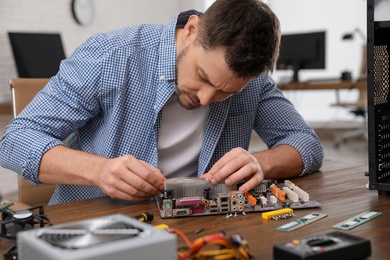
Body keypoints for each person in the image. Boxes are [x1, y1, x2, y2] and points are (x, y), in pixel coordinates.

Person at [0, 0, 323, 205]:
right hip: (93, 227)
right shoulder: (111, 55)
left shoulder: (252, 83)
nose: (207, 99)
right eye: (203, 76)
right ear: (192, 29)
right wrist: (99, 171)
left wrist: (261, 163)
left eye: (226, 93)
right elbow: (14, 140)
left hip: (200, 230)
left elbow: (306, 144)